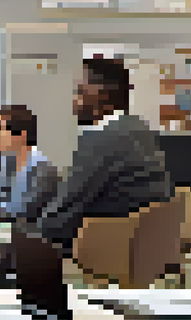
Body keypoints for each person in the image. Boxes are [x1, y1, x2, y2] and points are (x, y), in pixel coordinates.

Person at [26, 57, 174, 256]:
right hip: (139, 241)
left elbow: (66, 209)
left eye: (79, 91)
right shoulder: (136, 127)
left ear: (101, 95)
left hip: (105, 243)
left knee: (9, 250)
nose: (73, 101)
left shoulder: (103, 138)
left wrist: (28, 234)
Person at [0, 104, 60, 287]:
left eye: (0, 129)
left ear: (21, 134)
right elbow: (3, 199)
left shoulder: (44, 171)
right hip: (6, 238)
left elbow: (20, 211)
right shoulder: (8, 164)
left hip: (28, 246)